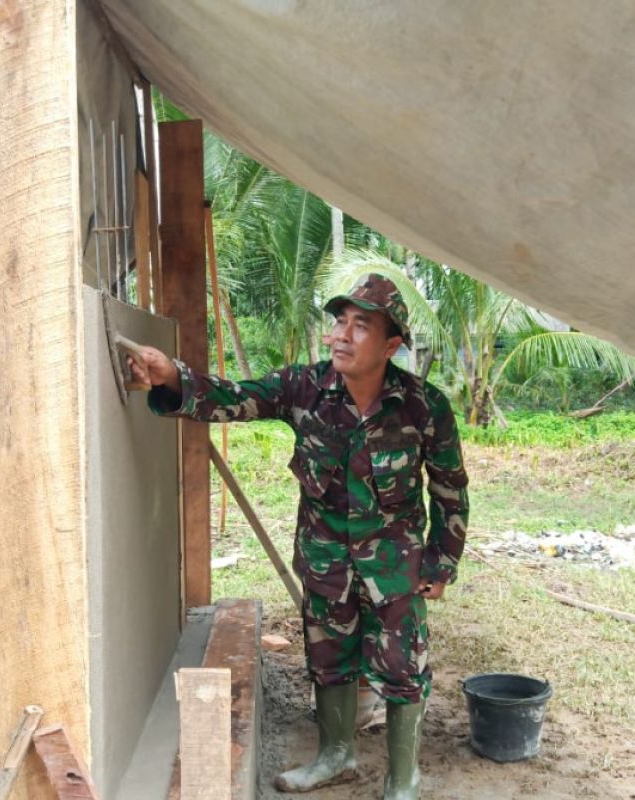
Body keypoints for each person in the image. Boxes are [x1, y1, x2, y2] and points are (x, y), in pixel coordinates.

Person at [128, 273, 469, 800]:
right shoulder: (303, 388)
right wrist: (171, 375)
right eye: (339, 321)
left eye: (360, 326)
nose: (341, 335)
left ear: (392, 344)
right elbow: (231, 397)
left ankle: (403, 778)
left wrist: (441, 566)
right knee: (328, 658)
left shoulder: (425, 406)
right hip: (325, 558)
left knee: (403, 668)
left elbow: (450, 490)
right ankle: (336, 755)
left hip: (395, 566)